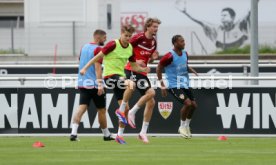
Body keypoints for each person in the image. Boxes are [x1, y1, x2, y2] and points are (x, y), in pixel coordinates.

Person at [80, 25, 150, 144]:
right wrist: (85, 68)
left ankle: (119, 135)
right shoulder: (113, 44)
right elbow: (97, 57)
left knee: (126, 109)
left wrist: (143, 70)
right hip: (109, 77)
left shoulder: (130, 48)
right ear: (121, 33)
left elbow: (133, 66)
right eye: (126, 35)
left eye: (129, 36)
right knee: (131, 85)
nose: (127, 38)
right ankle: (120, 110)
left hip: (120, 77)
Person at [70, 29, 114, 141]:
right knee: (102, 110)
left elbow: (80, 62)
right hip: (94, 84)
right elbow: (98, 68)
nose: (105, 40)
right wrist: (100, 85)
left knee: (81, 108)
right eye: (104, 38)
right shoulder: (99, 49)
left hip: (83, 83)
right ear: (98, 38)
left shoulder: (83, 47)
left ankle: (73, 133)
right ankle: (106, 134)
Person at [125, 18, 161, 143]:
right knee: (151, 93)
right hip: (132, 70)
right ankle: (132, 112)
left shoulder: (153, 43)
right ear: (148, 27)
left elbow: (146, 58)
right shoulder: (138, 38)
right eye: (154, 26)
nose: (156, 29)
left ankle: (143, 133)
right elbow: (124, 51)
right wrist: (135, 62)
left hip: (141, 72)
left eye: (157, 27)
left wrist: (151, 60)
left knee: (151, 102)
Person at [156, 35, 198, 138]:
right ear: (175, 43)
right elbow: (158, 68)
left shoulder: (185, 53)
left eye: (184, 41)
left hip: (184, 83)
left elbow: (184, 65)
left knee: (194, 105)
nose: (184, 43)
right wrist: (162, 85)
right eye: (181, 41)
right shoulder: (169, 56)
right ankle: (181, 127)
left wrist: (191, 70)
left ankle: (187, 126)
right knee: (187, 104)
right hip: (174, 85)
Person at [175, 0, 250, 49]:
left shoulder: (240, 25)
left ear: (233, 17)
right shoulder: (217, 29)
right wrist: (185, 12)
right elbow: (200, 21)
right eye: (221, 16)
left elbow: (249, 11)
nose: (222, 18)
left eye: (225, 15)